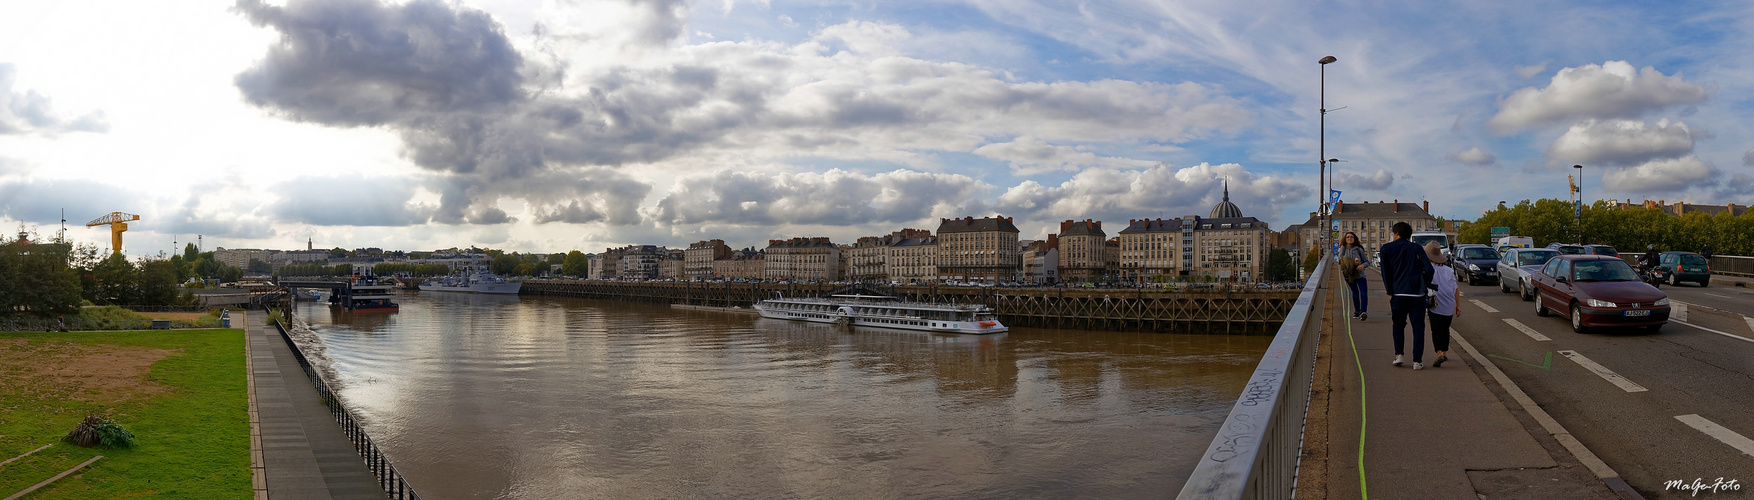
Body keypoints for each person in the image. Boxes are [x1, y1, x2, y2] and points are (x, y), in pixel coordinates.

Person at [1379, 222, 1434, 370]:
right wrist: (1425, 283)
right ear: (1409, 235)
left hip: (1398, 293)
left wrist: (1389, 291)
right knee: (1418, 328)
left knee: (1398, 325)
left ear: (1395, 233)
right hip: (1417, 294)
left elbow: (1385, 272)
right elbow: (1429, 269)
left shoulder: (1386, 249)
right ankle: (1417, 361)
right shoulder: (1417, 248)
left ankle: (1399, 355)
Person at [1425, 242, 1459, 367]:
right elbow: (1455, 289)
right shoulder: (1449, 270)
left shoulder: (1427, 269)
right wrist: (1458, 306)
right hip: (1449, 304)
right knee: (1445, 329)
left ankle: (1439, 353)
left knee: (1436, 330)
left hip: (1435, 303)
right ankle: (1444, 352)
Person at [1338, 232, 1371, 320]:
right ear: (1345, 239)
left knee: (1364, 293)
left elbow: (1367, 262)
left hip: (1360, 275)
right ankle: (1357, 311)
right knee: (1355, 293)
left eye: (1351, 237)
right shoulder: (1343, 248)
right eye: (1348, 237)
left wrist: (1362, 265)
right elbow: (1340, 261)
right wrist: (1352, 262)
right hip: (1349, 275)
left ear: (1355, 238)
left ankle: (1363, 311)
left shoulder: (1359, 249)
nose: (1349, 238)